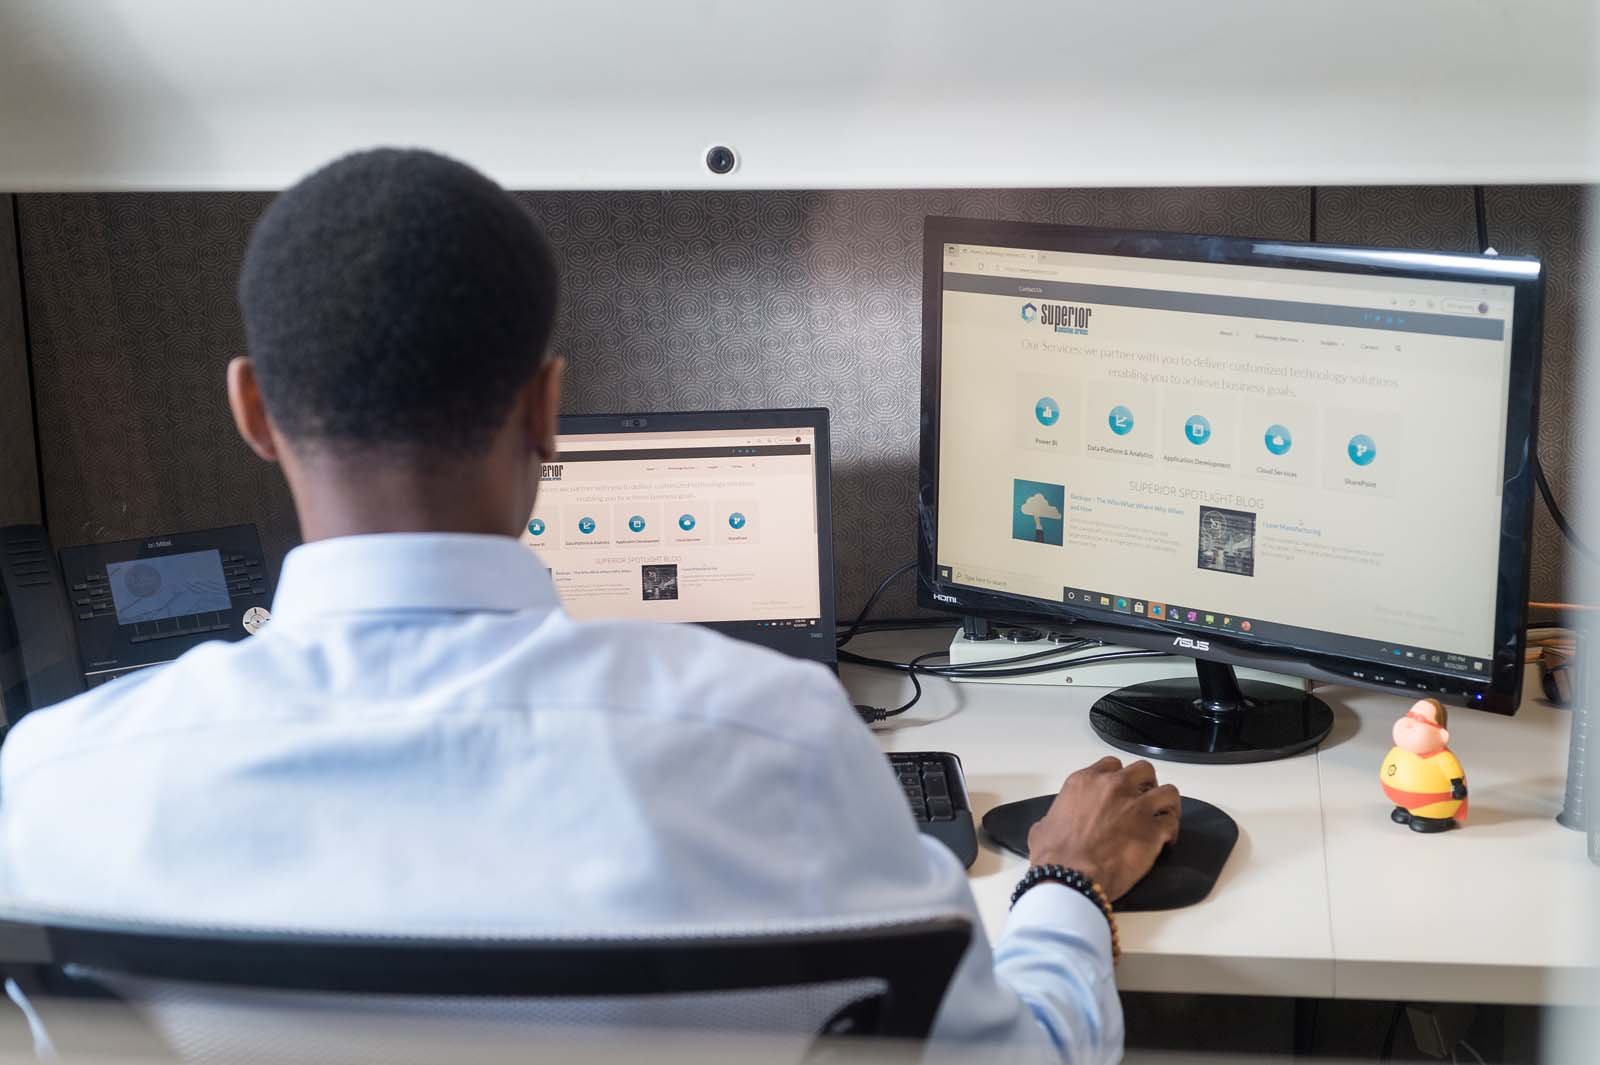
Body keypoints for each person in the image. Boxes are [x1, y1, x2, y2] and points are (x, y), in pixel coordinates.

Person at [0, 149, 1180, 1063]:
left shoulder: (48, 795)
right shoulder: (777, 744)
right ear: (547, 408)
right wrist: (1065, 882)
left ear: (252, 411)